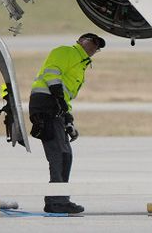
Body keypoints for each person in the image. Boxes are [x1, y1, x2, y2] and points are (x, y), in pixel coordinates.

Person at [28, 33, 105, 214]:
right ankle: (57, 201)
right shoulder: (67, 52)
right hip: (46, 103)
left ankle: (56, 198)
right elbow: (51, 73)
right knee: (59, 154)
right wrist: (59, 99)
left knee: (65, 155)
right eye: (92, 41)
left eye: (97, 46)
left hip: (54, 106)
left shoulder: (81, 65)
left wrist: (68, 120)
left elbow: (65, 96)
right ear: (81, 41)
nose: (94, 47)